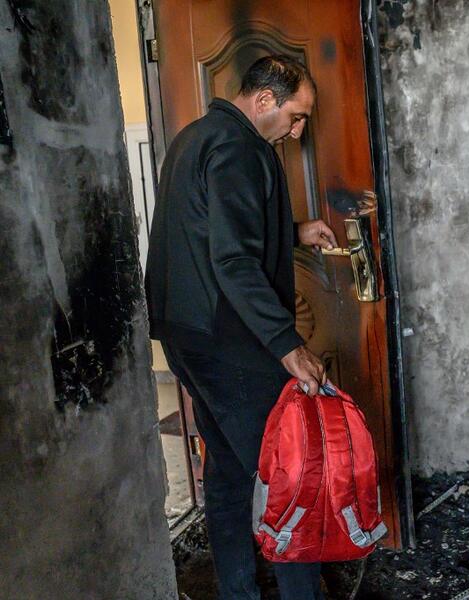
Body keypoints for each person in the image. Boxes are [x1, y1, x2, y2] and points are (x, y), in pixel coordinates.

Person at [145, 55, 335, 600]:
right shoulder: (240, 148)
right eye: (296, 117)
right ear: (265, 100)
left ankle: (237, 591)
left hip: (188, 336)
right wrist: (287, 345)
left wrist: (296, 231)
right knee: (290, 479)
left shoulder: (197, 137)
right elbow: (232, 261)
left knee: (228, 470)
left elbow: (213, 230)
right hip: (228, 342)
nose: (298, 131)